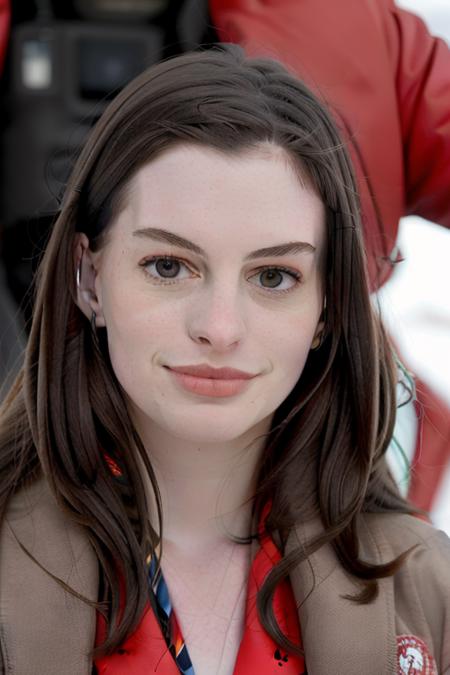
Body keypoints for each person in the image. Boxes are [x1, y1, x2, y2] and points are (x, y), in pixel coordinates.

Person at [0, 46, 449, 675]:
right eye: (168, 266)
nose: (219, 327)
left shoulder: (431, 592)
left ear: (327, 308)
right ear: (89, 277)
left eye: (273, 276)